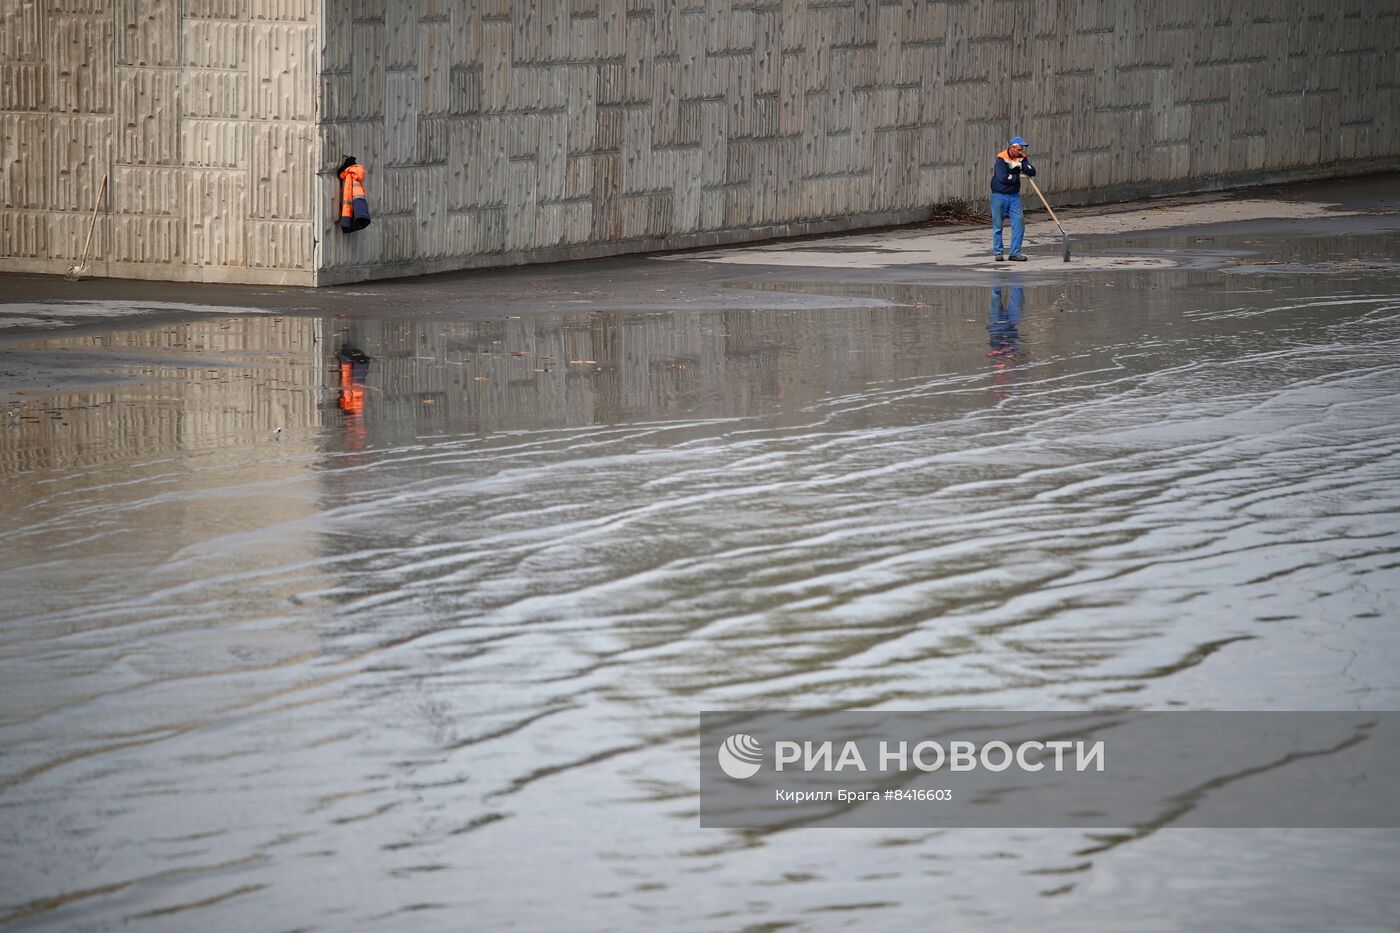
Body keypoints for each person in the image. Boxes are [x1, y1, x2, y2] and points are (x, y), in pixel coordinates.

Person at [990, 136, 1035, 261]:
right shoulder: (1001, 158)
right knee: (998, 225)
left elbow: (1032, 171)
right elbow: (1002, 177)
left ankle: (1015, 253)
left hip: (1014, 196)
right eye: (1019, 149)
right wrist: (1015, 177)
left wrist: (1020, 165)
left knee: (1019, 224)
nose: (1021, 152)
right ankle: (998, 252)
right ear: (1011, 147)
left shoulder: (1021, 158)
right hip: (999, 195)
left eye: (1022, 149)